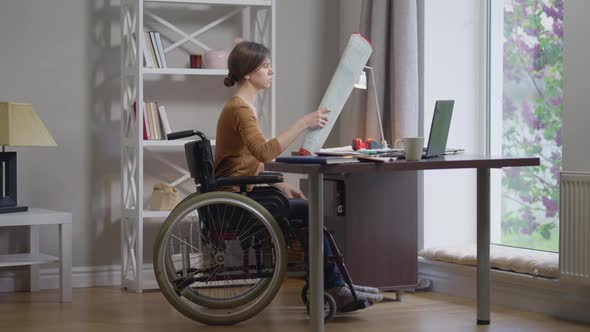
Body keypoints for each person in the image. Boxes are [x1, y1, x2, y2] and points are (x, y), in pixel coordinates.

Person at [213, 41, 383, 311]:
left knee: (305, 210)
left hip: (242, 190)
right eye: (265, 67)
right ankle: (334, 285)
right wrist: (303, 123)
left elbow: (248, 161)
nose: (271, 71)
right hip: (236, 197)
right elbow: (266, 153)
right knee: (309, 212)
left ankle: (333, 283)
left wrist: (282, 184)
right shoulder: (241, 110)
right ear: (247, 73)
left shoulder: (242, 106)